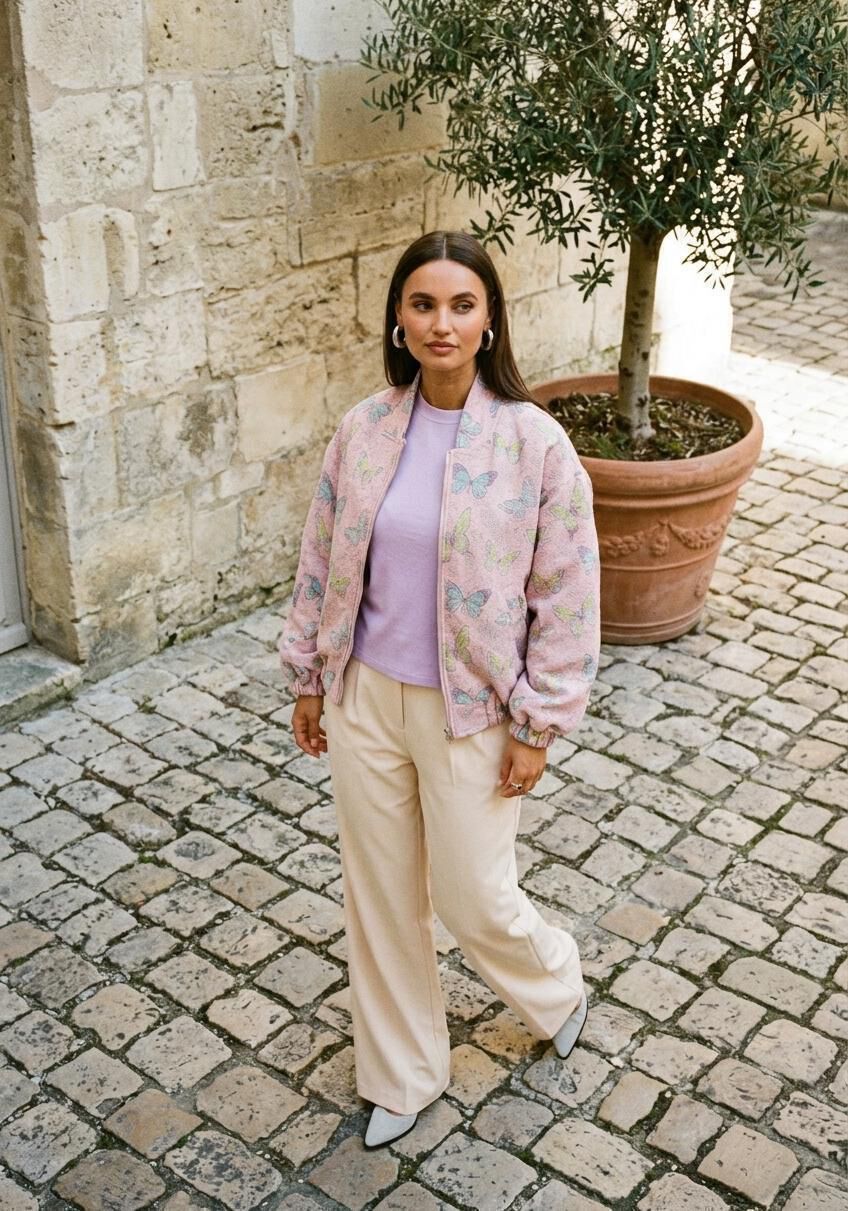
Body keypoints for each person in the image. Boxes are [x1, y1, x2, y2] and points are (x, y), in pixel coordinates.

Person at [279, 230, 601, 1149]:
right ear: (399, 317)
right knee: (380, 893)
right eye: (423, 304)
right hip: (365, 697)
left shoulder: (534, 444)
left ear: (490, 318)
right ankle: (403, 1071)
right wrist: (310, 675)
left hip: (473, 712)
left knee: (472, 894)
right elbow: (320, 557)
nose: (442, 323)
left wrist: (538, 725)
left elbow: (568, 591)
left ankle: (556, 983)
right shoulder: (364, 428)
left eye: (462, 305)